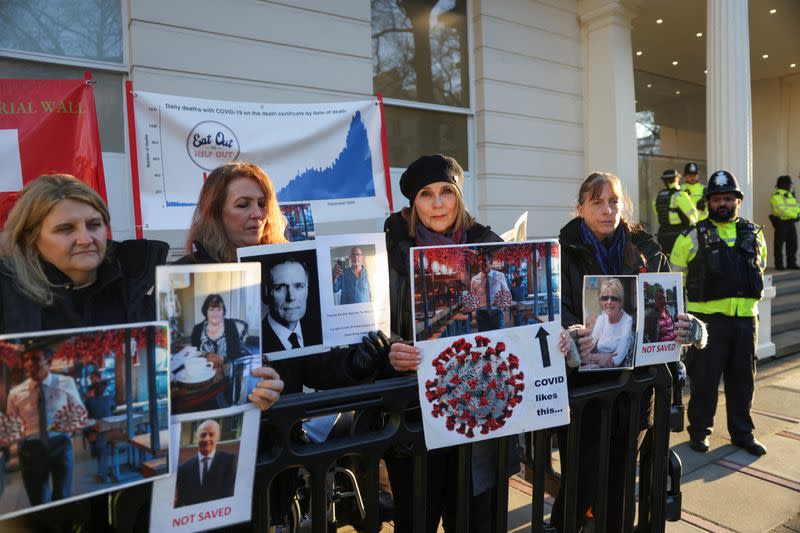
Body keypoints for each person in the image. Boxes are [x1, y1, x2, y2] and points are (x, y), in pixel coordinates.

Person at [0, 174, 283, 532]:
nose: (86, 238)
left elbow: (189, 367)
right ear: (31, 236)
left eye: (94, 224)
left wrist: (260, 385)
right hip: (34, 506)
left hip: (143, 501)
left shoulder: (145, 287)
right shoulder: (8, 302)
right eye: (65, 229)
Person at [555, 171, 704, 532]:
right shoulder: (561, 254)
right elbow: (555, 316)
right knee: (581, 479)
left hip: (637, 392)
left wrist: (689, 328)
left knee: (622, 480)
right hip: (582, 395)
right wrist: (569, 340)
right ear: (580, 209)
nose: (608, 210)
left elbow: (672, 307)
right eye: (597, 202)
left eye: (614, 201)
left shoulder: (649, 250)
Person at [385, 154, 519, 532]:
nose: (438, 203)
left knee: (478, 520)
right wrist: (392, 348)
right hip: (415, 419)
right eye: (426, 194)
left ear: (459, 197)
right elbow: (373, 327)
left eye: (446, 192)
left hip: (481, 414)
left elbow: (512, 318)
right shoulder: (391, 252)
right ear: (414, 203)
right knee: (418, 519)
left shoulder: (489, 246)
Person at [671, 170, 768, 456]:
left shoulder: (755, 234)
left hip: (746, 320)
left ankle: (743, 433)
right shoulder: (691, 236)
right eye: (716, 199)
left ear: (738, 201)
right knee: (704, 381)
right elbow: (672, 278)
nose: (722, 204)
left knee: (743, 381)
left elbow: (758, 270)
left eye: (728, 198)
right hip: (707, 324)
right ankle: (699, 433)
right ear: (708, 202)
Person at [7, 346, 87, 505]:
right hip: (30, 449)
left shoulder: (66, 383)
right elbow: (12, 426)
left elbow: (80, 412)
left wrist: (72, 426)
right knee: (37, 499)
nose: (29, 363)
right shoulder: (16, 393)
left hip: (60, 444)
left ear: (48, 361)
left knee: (63, 497)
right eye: (26, 359)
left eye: (35, 359)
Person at [261, 256, 323, 352]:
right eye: (281, 287)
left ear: (307, 289)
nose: (291, 297)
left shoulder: (320, 332)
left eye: (298, 286)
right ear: (266, 292)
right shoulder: (255, 343)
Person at [175, 420, 236, 507]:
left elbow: (230, 495)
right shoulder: (184, 468)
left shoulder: (228, 460)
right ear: (197, 438)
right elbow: (180, 501)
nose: (207, 439)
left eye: (211, 434)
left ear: (217, 438)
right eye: (203, 435)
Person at [582, 278, 634, 369]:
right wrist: (601, 357)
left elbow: (616, 361)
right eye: (605, 298)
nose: (609, 302)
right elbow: (586, 352)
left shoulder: (627, 321)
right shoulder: (602, 318)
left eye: (613, 298)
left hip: (617, 374)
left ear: (620, 302)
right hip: (599, 368)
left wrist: (591, 360)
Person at [652, 168, 700, 257]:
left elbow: (657, 214)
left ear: (664, 181)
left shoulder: (658, 197)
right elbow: (693, 216)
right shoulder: (680, 195)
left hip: (662, 235)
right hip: (679, 235)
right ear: (677, 179)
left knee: (666, 263)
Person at [190, 293, 244, 360]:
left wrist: (221, 360)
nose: (215, 314)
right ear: (205, 311)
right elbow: (195, 354)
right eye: (211, 309)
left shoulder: (230, 325)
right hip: (203, 368)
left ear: (223, 311)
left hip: (227, 368)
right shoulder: (197, 329)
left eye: (219, 309)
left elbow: (236, 354)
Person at [468, 251, 510, 331]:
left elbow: (506, 294)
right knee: (484, 340)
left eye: (484, 260)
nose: (481, 262)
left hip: (497, 313)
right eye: (479, 260)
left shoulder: (500, 276)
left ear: (490, 261)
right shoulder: (474, 279)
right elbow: (472, 299)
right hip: (481, 315)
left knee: (499, 339)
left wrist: (502, 304)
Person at [768, 174, 799, 270]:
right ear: (783, 184)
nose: (790, 186)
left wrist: (798, 214)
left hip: (790, 222)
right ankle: (779, 264)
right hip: (781, 222)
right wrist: (795, 215)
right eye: (789, 184)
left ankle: (791, 263)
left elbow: (796, 207)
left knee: (793, 243)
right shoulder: (776, 197)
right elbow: (781, 210)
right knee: (779, 244)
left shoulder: (790, 196)